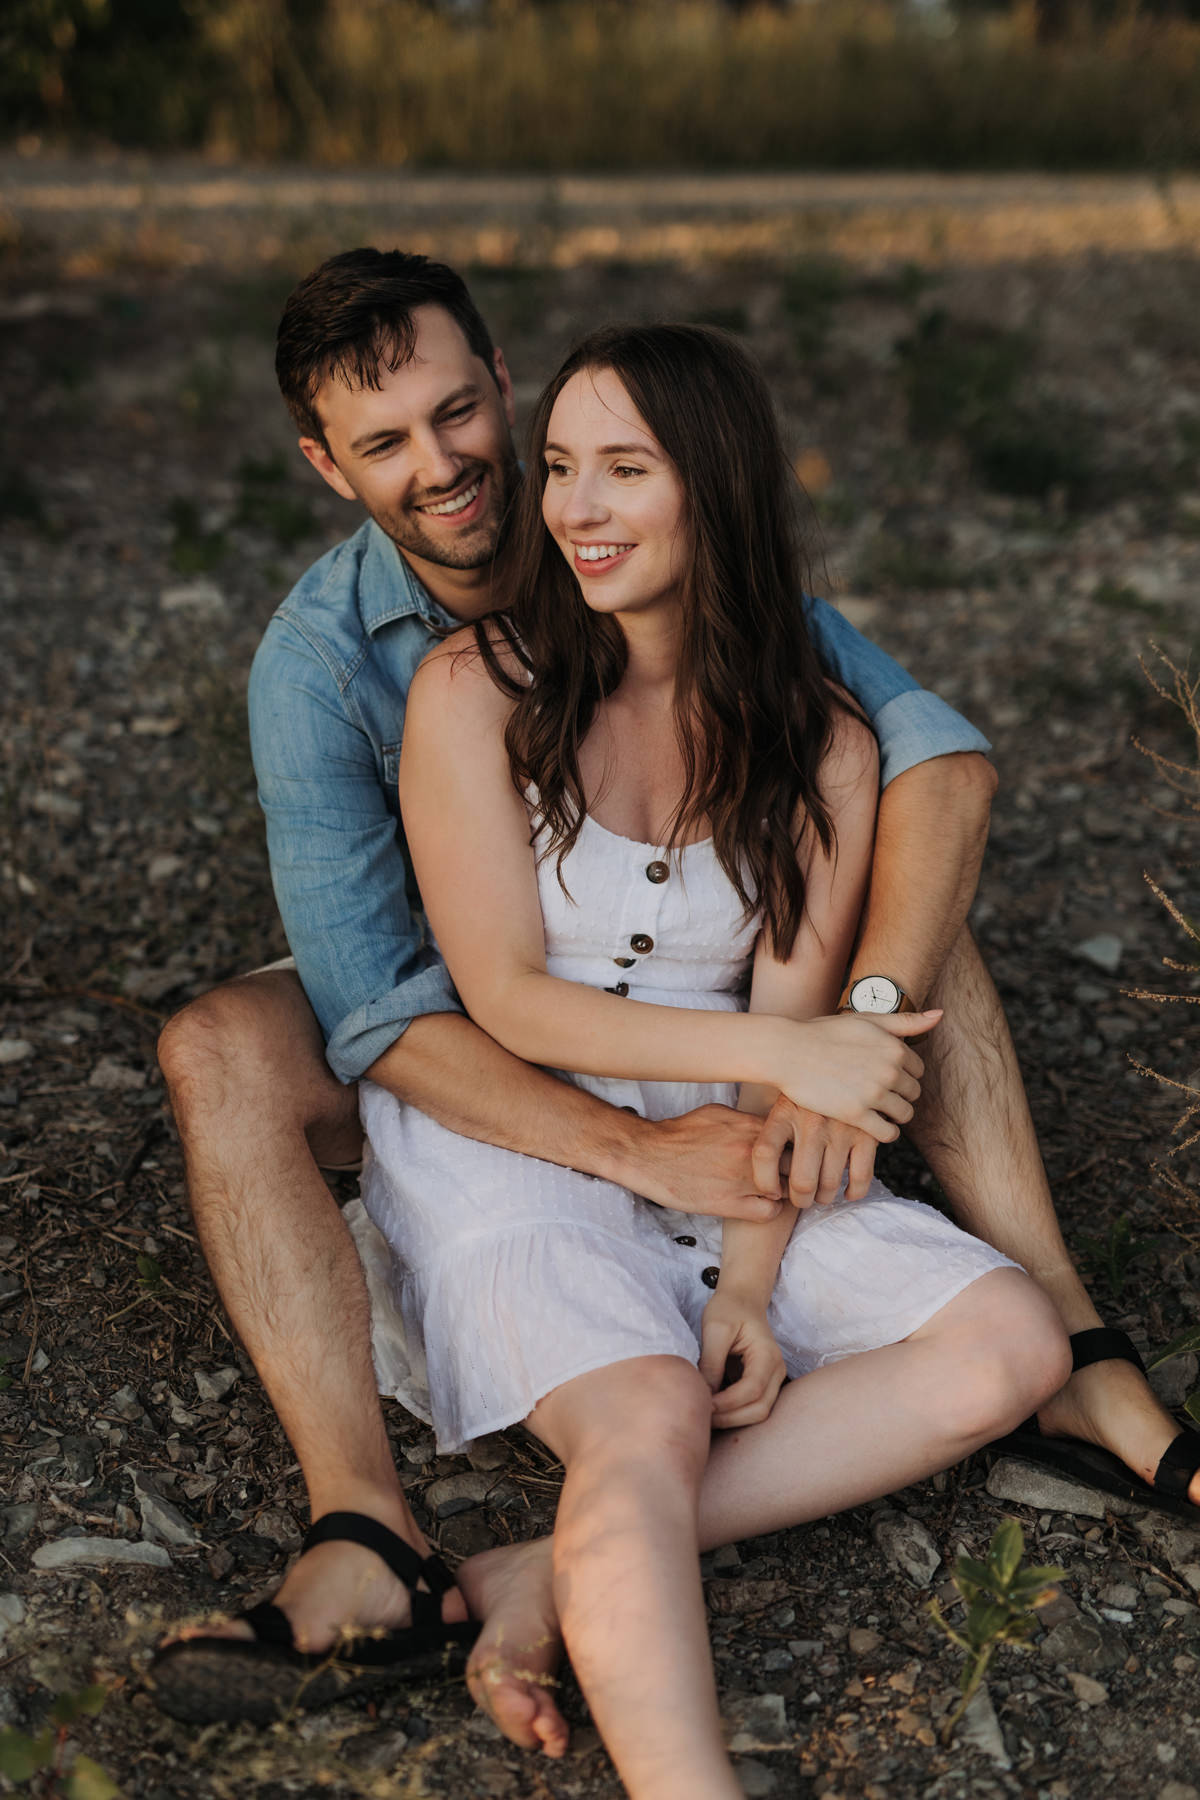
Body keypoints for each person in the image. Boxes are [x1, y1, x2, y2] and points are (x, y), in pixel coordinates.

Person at [149, 248, 1200, 1739]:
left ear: (504, 388)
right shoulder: (335, 663)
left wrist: (847, 1039)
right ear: (328, 465)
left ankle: (1080, 1353)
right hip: (453, 1016)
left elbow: (937, 762)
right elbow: (382, 1008)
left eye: (461, 415)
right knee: (214, 1048)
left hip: (706, 1005)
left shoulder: (659, 552)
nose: (450, 467)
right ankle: (365, 1532)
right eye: (385, 443)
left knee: (913, 919)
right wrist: (660, 1141)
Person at [354, 320, 1069, 1800]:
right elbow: (504, 1001)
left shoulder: (824, 746)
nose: (577, 510)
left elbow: (786, 1074)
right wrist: (789, 1046)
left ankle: (543, 1565)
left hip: (723, 1128)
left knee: (1011, 1346)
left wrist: (748, 1284)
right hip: (524, 1125)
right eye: (560, 468)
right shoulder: (476, 692)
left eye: (627, 469)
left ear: (718, 492)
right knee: (648, 1411)